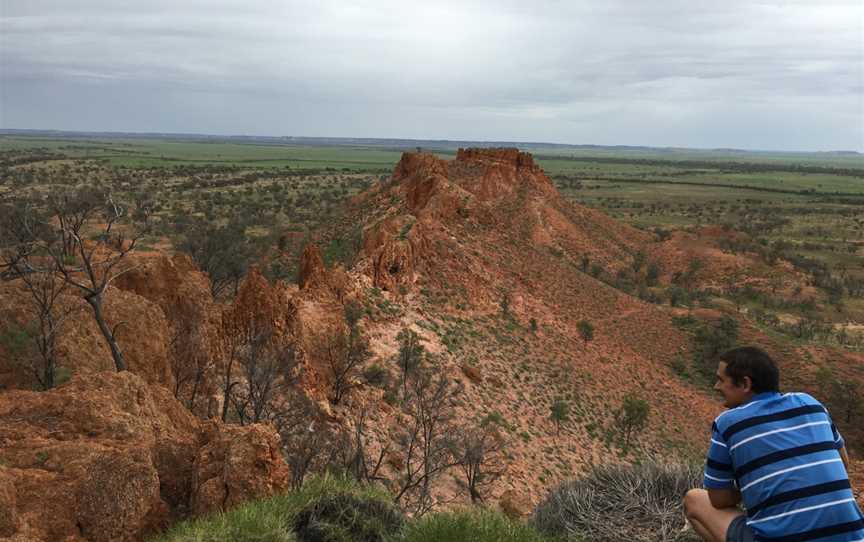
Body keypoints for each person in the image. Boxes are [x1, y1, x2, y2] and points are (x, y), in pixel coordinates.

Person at [683, 346, 864, 542]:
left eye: (721, 379)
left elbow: (718, 499)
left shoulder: (728, 423)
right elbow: (842, 462)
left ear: (745, 383)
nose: (716, 386)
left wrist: (756, 488)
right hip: (852, 536)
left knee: (694, 500)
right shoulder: (810, 403)